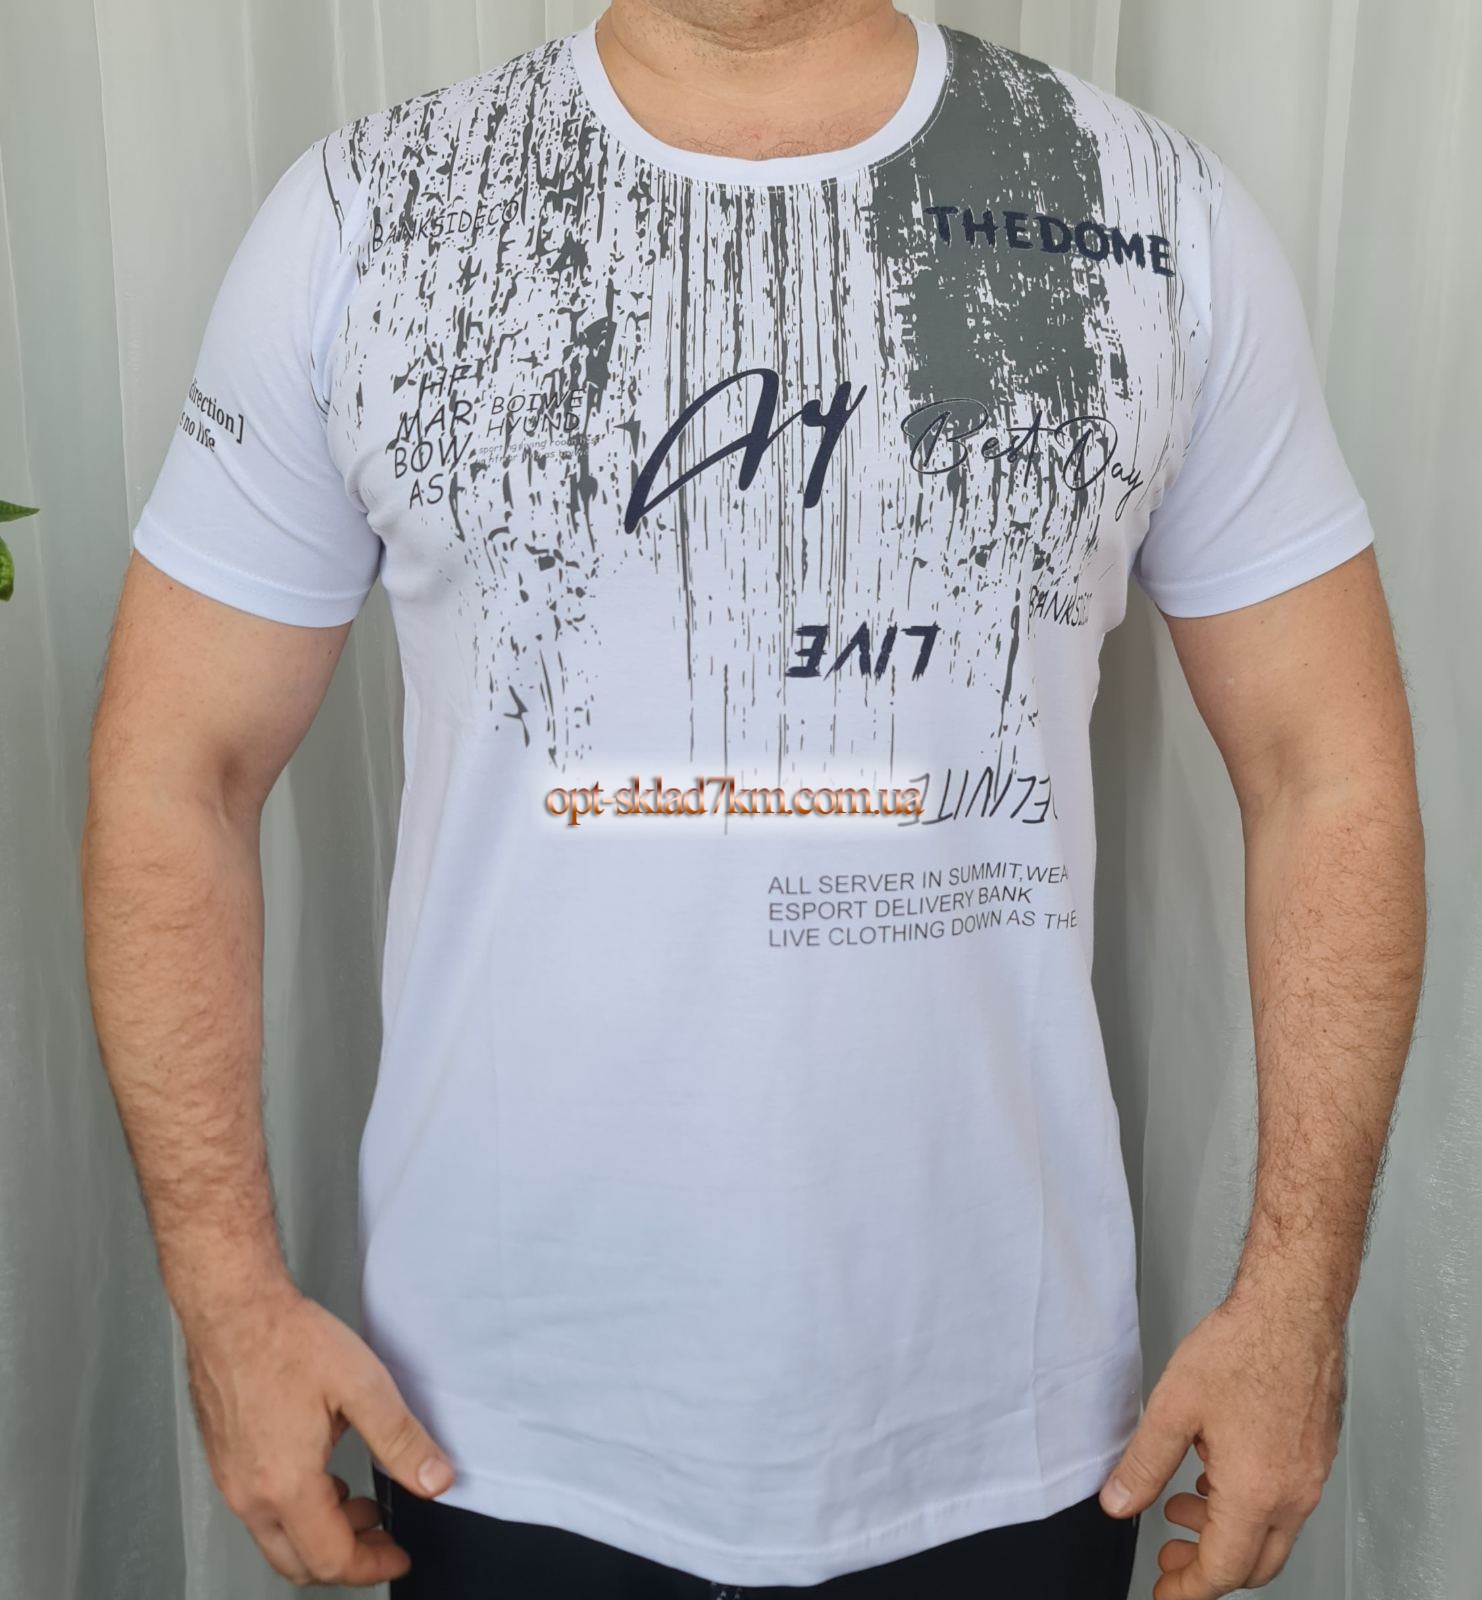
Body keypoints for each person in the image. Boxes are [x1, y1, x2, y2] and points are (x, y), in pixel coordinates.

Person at [80, 1, 1426, 1596]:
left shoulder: (1149, 212)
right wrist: (227, 1300)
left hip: (998, 1429)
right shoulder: (373, 214)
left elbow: (1325, 774)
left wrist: (1295, 1305)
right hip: (500, 1428)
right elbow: (177, 774)